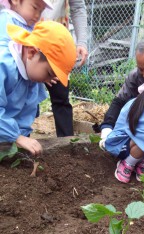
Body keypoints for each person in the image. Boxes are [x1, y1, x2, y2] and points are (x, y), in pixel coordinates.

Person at [0, 21, 76, 155]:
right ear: (32, 52)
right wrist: (16, 137)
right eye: (49, 73)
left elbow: (26, 113)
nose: (49, 80)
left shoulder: (31, 75)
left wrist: (21, 137)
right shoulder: (3, 66)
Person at [41, 0, 88, 137]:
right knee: (26, 99)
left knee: (61, 98)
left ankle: (66, 145)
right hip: (27, 44)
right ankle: (18, 147)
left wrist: (82, 42)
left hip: (58, 45)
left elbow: (78, 7)